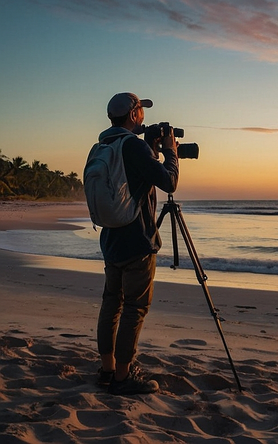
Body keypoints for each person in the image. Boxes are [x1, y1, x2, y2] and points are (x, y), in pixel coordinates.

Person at [93, 92, 179, 395]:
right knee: (134, 309)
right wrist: (170, 152)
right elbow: (168, 182)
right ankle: (123, 377)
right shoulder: (134, 146)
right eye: (140, 109)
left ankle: (107, 370)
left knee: (111, 304)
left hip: (111, 239)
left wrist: (151, 150)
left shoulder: (105, 146)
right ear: (132, 115)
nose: (142, 114)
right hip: (137, 240)